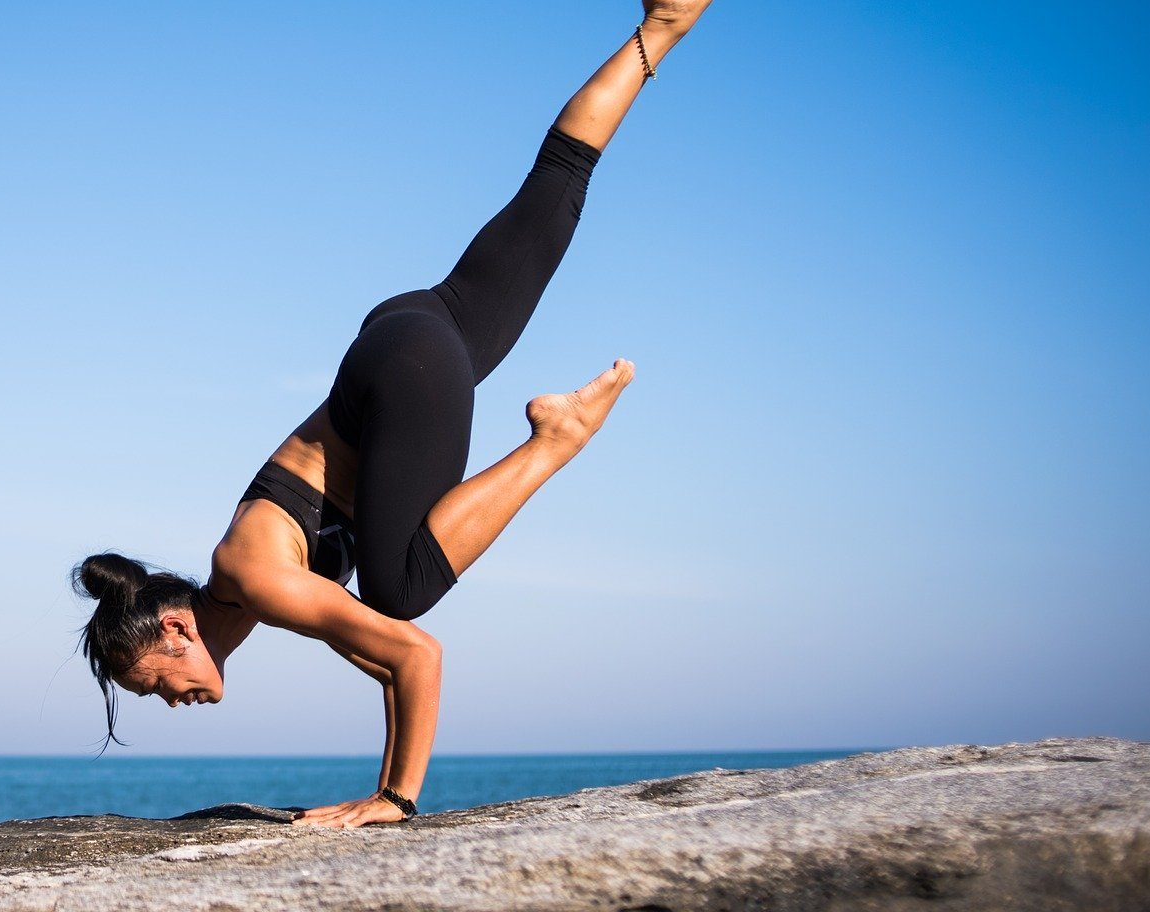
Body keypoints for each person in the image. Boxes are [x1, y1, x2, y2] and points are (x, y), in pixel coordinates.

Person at [72, 0, 714, 828]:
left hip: (407, 373)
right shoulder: (251, 593)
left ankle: (555, 440)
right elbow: (378, 661)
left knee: (399, 592)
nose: (169, 701)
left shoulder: (252, 574)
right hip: (411, 335)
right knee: (554, 185)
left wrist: (392, 799)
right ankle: (661, 28)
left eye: (154, 683)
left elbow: (413, 652)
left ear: (173, 628)